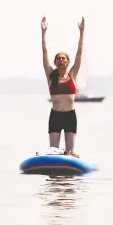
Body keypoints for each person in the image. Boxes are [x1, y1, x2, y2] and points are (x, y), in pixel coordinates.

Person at [41, 16, 84, 157]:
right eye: (58, 58)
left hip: (70, 116)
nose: (61, 60)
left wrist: (82, 32)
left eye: (63, 58)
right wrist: (43, 33)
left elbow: (79, 54)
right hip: (55, 116)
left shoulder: (72, 75)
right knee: (54, 152)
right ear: (55, 61)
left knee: (70, 152)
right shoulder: (51, 76)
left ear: (67, 62)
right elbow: (45, 53)